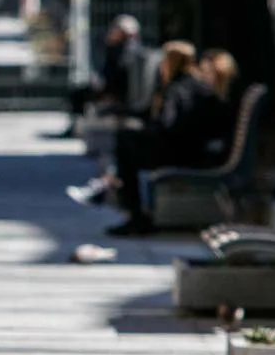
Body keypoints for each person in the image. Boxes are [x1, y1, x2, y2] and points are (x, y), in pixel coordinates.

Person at [67, 41, 219, 236]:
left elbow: (168, 124)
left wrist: (142, 128)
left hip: (184, 152)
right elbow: (155, 117)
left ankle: (133, 214)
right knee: (127, 144)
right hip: (189, 148)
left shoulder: (178, 88)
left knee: (126, 148)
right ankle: (108, 191)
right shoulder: (189, 84)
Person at [58, 14, 140, 138]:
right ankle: (78, 126)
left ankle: (77, 128)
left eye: (115, 30)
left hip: (115, 92)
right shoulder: (121, 48)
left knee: (78, 95)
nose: (111, 32)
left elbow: (116, 75)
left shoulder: (124, 51)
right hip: (112, 89)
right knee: (78, 92)